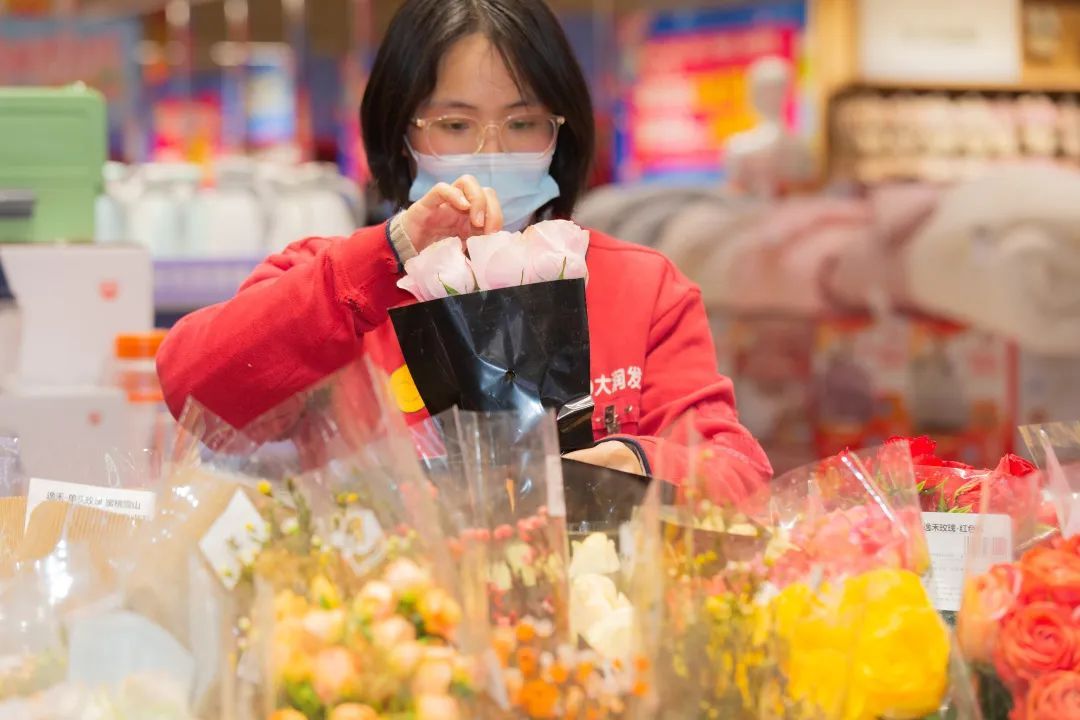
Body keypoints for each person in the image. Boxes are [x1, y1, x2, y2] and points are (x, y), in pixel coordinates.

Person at [157, 0, 771, 494]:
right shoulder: (335, 277)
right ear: (400, 135)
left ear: (561, 133)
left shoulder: (641, 287)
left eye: (523, 122)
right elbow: (195, 392)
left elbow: (738, 475)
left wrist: (636, 462)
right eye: (455, 125)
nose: (491, 150)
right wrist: (389, 254)